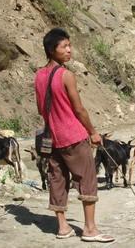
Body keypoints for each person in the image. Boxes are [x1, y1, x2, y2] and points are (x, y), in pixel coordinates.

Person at [34, 28, 114, 243]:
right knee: (86, 179)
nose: (69, 50)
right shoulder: (66, 75)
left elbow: (41, 108)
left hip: (51, 137)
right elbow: (79, 109)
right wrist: (93, 132)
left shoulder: (39, 75)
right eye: (64, 46)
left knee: (57, 179)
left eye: (70, 45)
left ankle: (62, 227)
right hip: (73, 135)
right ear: (52, 50)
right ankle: (89, 229)